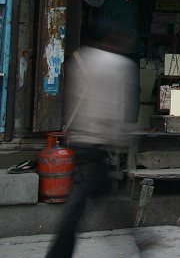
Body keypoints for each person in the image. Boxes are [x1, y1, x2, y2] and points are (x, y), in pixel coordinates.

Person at [45, 38, 139, 258]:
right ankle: (138, 240)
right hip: (98, 142)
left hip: (83, 138)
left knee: (100, 196)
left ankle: (137, 239)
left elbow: (74, 97)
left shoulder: (84, 58)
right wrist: (118, 141)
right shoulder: (120, 66)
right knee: (90, 198)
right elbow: (116, 107)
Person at [96, 0, 143, 123]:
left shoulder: (134, 7)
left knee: (133, 89)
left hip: (132, 53)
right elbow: (101, 30)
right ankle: (107, 121)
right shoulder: (110, 5)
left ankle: (130, 123)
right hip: (113, 53)